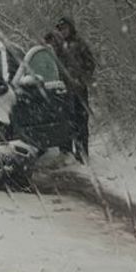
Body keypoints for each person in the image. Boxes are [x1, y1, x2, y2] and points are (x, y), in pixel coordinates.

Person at [47, 16, 96, 163]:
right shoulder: (57, 46)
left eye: (65, 28)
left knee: (81, 121)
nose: (63, 31)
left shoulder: (79, 44)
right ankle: (65, 152)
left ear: (71, 28)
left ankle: (82, 154)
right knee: (64, 121)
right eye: (60, 29)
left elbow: (90, 64)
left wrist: (81, 79)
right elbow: (47, 57)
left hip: (79, 90)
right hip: (62, 90)